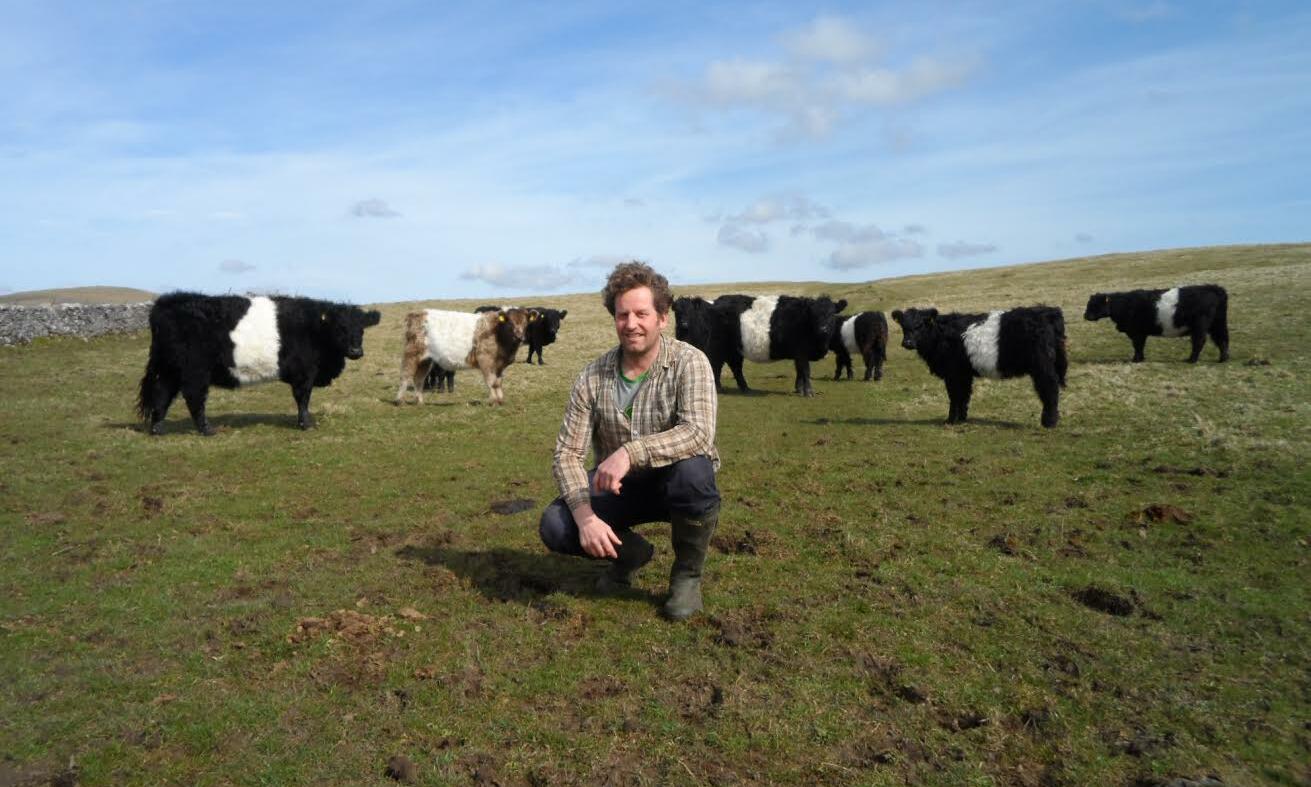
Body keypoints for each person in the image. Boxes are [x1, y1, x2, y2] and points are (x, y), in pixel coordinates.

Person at [539, 261, 721, 621]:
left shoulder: (690, 362)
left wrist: (630, 452)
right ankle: (630, 554)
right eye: (623, 315)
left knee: (695, 473)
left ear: (662, 317)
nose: (632, 324)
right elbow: (566, 454)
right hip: (620, 489)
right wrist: (585, 516)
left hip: (676, 482)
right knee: (557, 524)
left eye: (642, 313)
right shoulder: (592, 376)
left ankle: (686, 576)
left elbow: (698, 432)